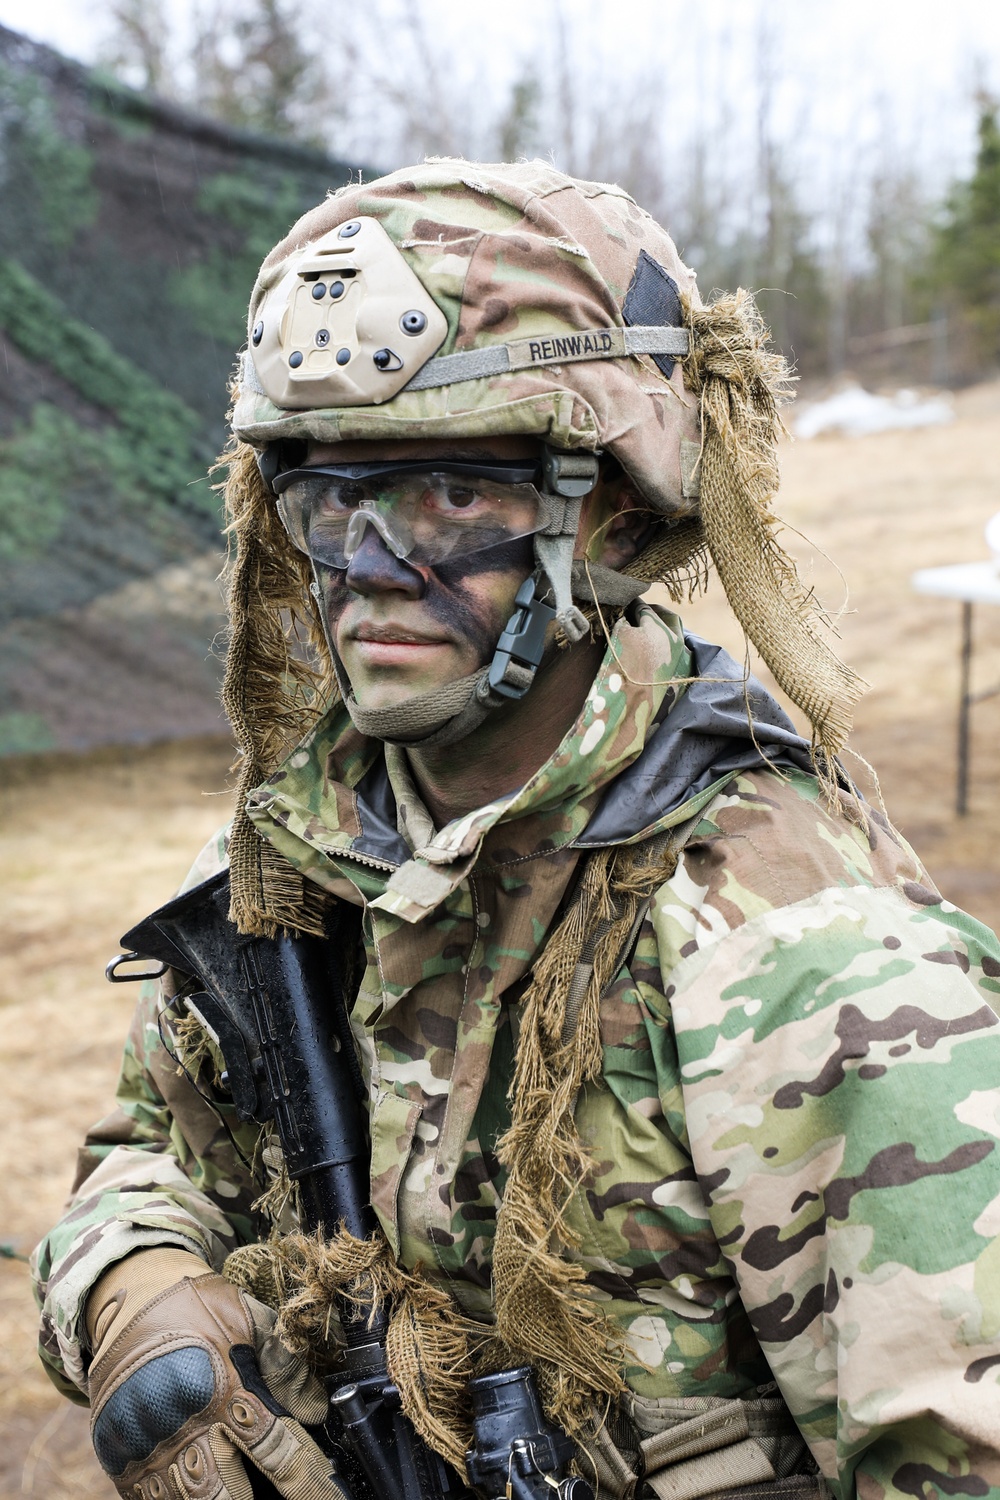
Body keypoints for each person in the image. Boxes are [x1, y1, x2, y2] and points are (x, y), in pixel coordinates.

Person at [32, 160, 1000, 1500]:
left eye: (450, 499)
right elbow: (150, 1153)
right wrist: (135, 1295)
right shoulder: (296, 854)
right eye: (333, 499)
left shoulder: (797, 953)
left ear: (602, 508)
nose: (372, 568)